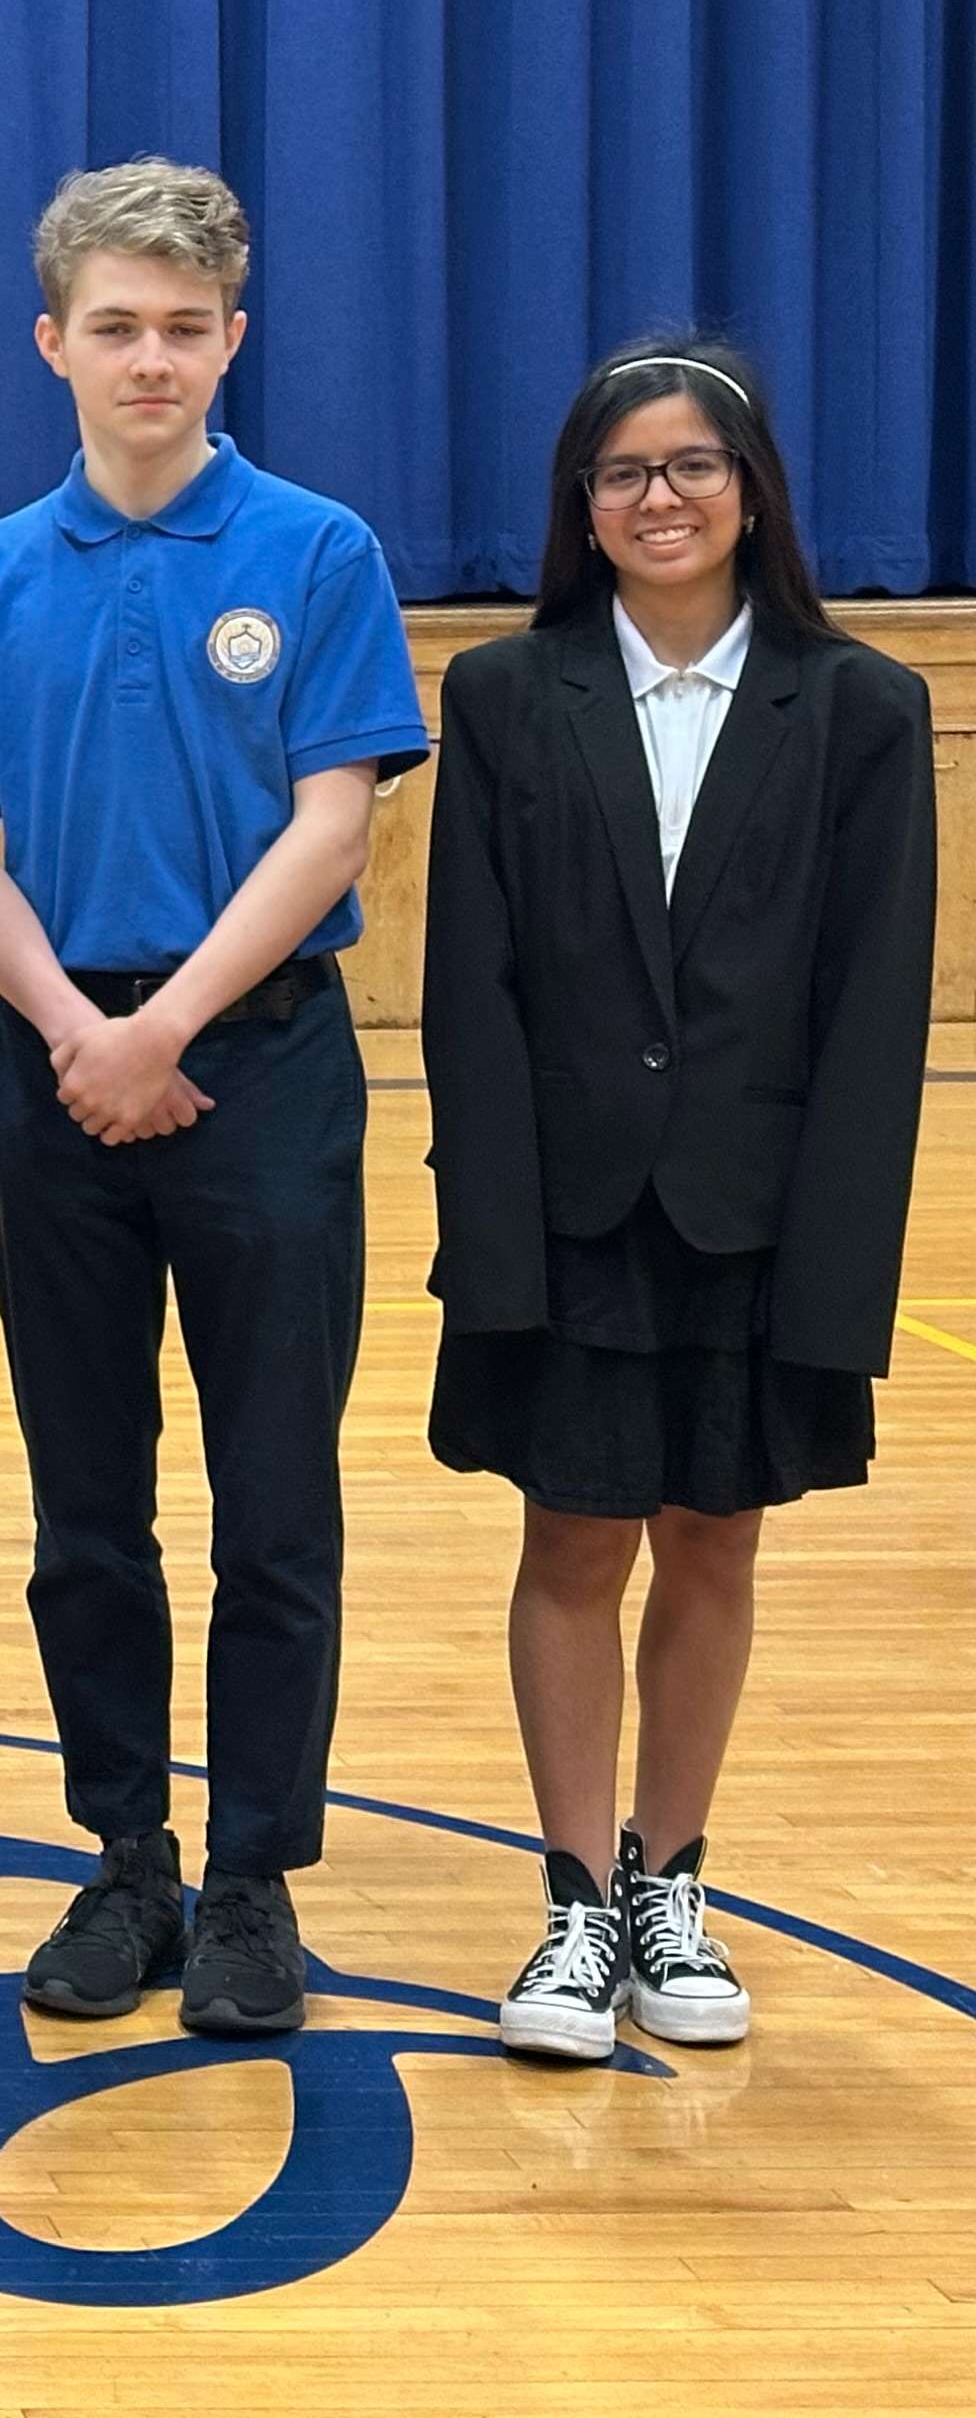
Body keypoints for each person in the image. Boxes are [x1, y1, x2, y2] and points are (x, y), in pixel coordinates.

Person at [0, 159, 431, 2041]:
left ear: (234, 342)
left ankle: (251, 1880)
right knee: (87, 1502)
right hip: (54, 1064)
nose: (150, 359)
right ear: (51, 341)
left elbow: (333, 823)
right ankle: (127, 1859)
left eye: (185, 329)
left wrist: (171, 1029)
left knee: (273, 1497)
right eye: (116, 327)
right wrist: (77, 1026)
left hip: (261, 1061)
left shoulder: (317, 552)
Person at [423, 338, 931, 2063]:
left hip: (756, 1213)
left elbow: (875, 1011)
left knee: (717, 1534)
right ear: (584, 507)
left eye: (693, 467)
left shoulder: (861, 707)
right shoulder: (508, 696)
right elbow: (472, 993)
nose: (661, 498)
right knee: (571, 1539)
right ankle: (575, 1901)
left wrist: (841, 1271)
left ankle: (672, 1881)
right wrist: (490, 1240)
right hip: (573, 1212)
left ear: (751, 492)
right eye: (625, 472)